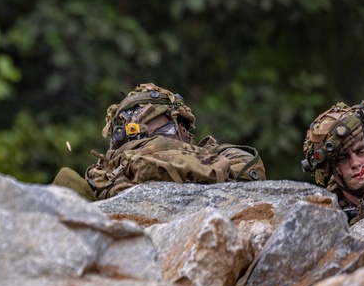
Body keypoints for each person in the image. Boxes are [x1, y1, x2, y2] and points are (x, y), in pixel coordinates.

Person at [53, 82, 266, 201]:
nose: (146, 145)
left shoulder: (226, 156)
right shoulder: (107, 171)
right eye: (136, 139)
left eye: (162, 131)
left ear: (182, 127)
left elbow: (251, 182)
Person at [301, 102, 364, 224]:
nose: (355, 163)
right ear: (331, 169)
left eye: (361, 151)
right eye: (342, 158)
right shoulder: (324, 215)